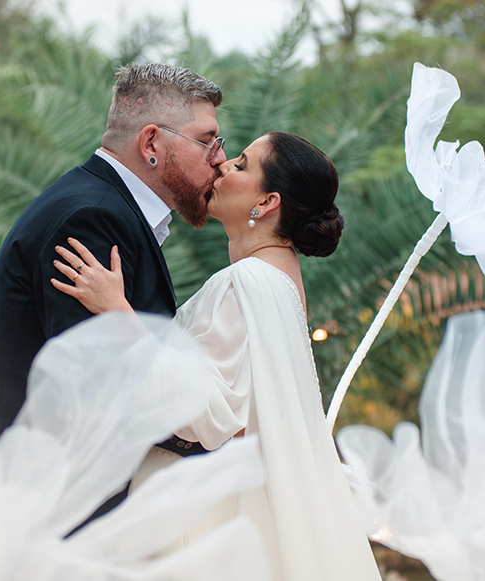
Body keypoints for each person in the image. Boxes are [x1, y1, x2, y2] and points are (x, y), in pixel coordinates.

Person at [52, 132, 382, 581]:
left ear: (266, 203)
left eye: (242, 165)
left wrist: (120, 312)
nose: (223, 165)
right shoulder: (282, 280)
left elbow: (201, 415)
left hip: (191, 515)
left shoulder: (246, 282)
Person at [0, 63, 226, 440]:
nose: (219, 158)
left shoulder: (100, 205)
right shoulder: (93, 220)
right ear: (151, 144)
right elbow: (91, 392)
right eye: (207, 141)